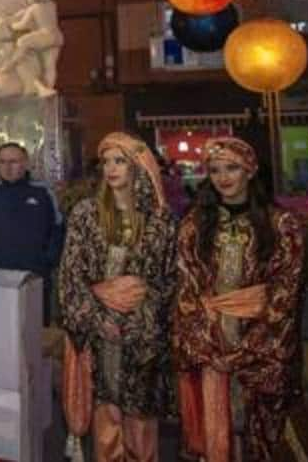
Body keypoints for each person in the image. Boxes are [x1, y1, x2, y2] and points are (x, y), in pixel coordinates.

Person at [174, 137, 304, 462]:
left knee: (256, 430)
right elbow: (186, 287)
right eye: (215, 170)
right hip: (210, 339)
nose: (223, 177)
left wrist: (250, 347)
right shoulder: (195, 224)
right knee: (216, 428)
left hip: (260, 342)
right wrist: (207, 343)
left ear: (249, 170)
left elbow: (286, 291)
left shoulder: (281, 225)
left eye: (231, 168)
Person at [58, 133, 177, 462]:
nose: (110, 168)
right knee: (106, 413)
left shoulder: (161, 220)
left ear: (138, 166)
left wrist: (137, 317)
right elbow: (70, 276)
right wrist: (99, 319)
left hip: (143, 335)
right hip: (100, 334)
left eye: (119, 160)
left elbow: (171, 282)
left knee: (140, 419)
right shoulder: (85, 213)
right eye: (106, 161)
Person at [0, 141, 65, 324]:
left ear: (26, 163)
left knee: (36, 335)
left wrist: (47, 261)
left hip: (34, 279)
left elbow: (58, 230)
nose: (7, 167)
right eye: (2, 162)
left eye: (13, 161)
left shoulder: (43, 193)